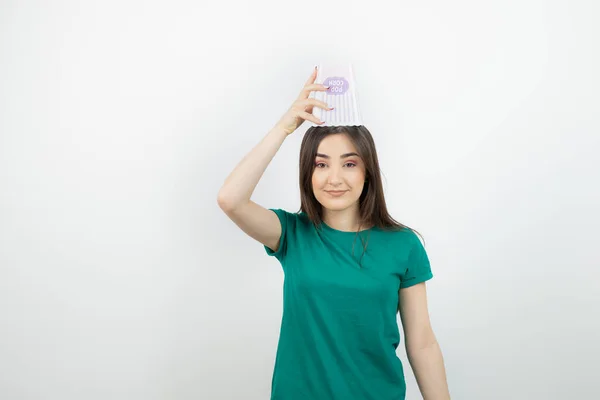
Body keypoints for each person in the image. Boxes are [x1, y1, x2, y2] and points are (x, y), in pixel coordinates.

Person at [217, 66, 451, 400]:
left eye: (349, 163)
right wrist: (285, 127)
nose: (334, 178)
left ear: (367, 171)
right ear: (307, 172)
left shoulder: (403, 245)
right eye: (321, 164)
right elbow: (230, 199)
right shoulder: (291, 235)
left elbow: (422, 343)